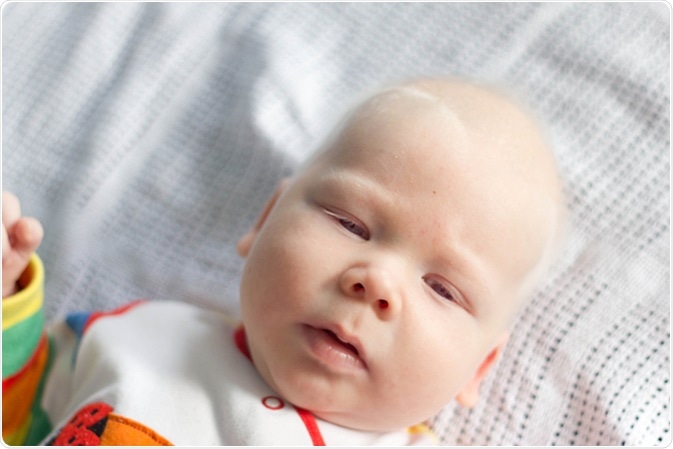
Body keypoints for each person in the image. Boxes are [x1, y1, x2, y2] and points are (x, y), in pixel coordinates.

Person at [2, 78, 566, 446]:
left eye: (443, 289)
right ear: (266, 217)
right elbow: (15, 410)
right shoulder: (138, 336)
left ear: (479, 366)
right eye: (351, 225)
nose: (377, 283)